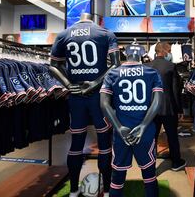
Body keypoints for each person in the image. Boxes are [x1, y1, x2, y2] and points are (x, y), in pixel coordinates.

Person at [49, 13, 120, 197]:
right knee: (104, 144)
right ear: (93, 19)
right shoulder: (105, 33)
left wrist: (68, 85)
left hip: (76, 96)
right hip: (99, 95)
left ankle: (73, 190)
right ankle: (106, 191)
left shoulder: (63, 34)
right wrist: (95, 83)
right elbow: (116, 65)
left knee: (76, 144)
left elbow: (53, 66)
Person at [100, 49, 163, 197]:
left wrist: (119, 127)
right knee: (149, 175)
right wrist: (143, 126)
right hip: (145, 133)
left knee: (117, 177)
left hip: (121, 133)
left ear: (124, 56)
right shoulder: (152, 73)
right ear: (141, 56)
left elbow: (104, 105)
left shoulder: (112, 73)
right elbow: (157, 102)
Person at [147, 42, 186, 171]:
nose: (170, 53)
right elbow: (176, 90)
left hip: (151, 108)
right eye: (169, 50)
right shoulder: (171, 66)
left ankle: (150, 164)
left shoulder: (146, 67)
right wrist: (179, 109)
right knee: (172, 135)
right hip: (168, 107)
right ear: (164, 51)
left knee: (152, 137)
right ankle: (176, 162)